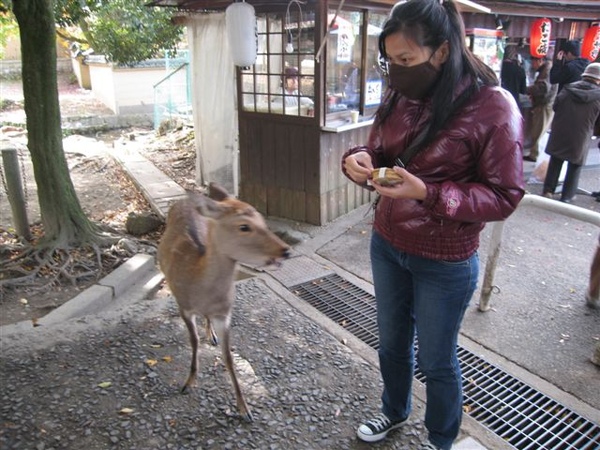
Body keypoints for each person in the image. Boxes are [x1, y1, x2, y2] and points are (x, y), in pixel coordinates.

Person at [341, 1, 525, 449]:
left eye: (406, 60)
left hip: (444, 259)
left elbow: (505, 196)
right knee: (391, 344)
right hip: (388, 242)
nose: (397, 71)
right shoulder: (399, 94)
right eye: (391, 61)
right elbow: (381, 154)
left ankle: (441, 439)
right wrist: (358, 162)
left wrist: (427, 193)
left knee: (438, 360)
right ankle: (393, 412)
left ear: (441, 52)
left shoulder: (493, 106)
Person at [542, 63, 600, 203]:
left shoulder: (568, 89)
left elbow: (556, 106)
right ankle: (567, 196)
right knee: (574, 166)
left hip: (561, 130)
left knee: (555, 161)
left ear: (585, 75)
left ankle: (548, 190)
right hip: (581, 135)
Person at [522, 56, 558, 162]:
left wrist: (526, 89)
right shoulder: (547, 69)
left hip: (544, 105)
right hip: (545, 104)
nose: (532, 65)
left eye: (533, 62)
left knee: (539, 131)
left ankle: (535, 155)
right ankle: (535, 153)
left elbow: (542, 89)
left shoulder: (547, 70)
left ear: (540, 61)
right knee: (538, 130)